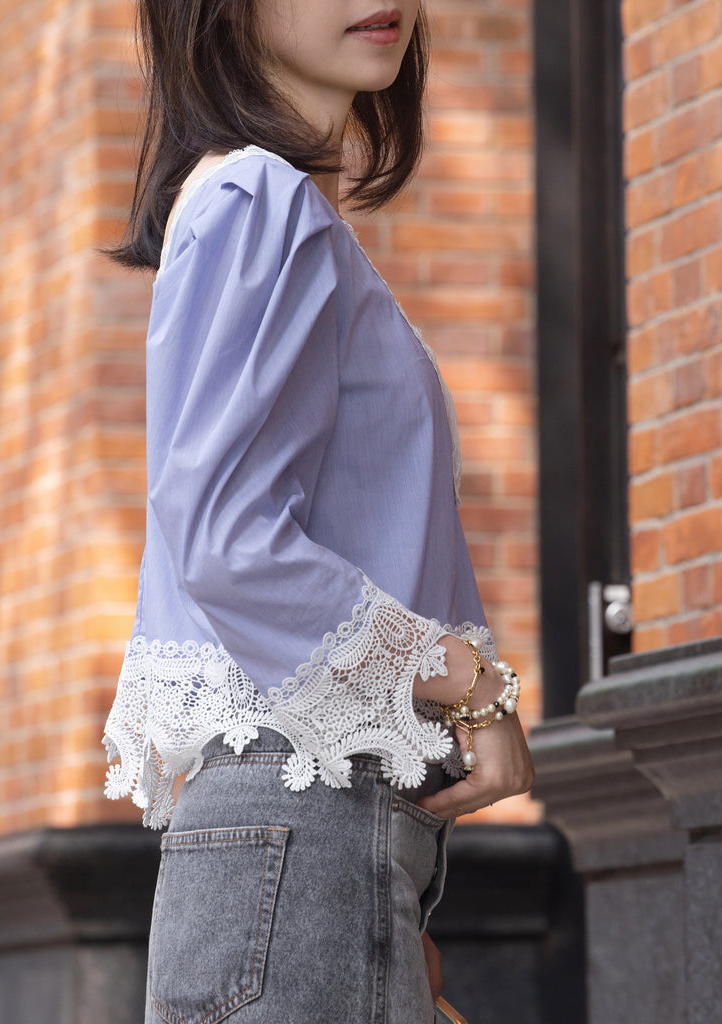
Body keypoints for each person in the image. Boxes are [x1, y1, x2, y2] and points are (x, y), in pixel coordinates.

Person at [102, 2, 535, 1022]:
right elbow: (228, 541)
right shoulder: (259, 197)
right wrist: (473, 686)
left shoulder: (260, 206)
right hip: (302, 831)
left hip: (299, 837)